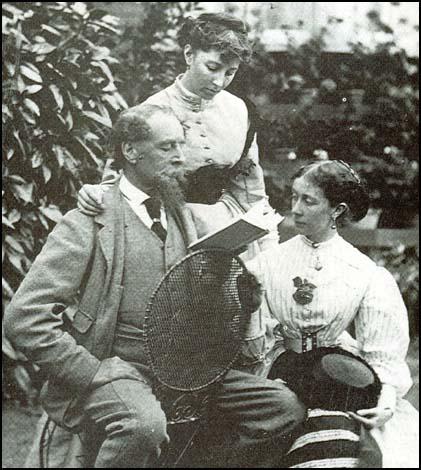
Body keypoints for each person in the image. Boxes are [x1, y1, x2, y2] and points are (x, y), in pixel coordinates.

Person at [4, 103, 306, 468]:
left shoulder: (186, 216)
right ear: (130, 151)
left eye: (181, 145)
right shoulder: (87, 222)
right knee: (142, 426)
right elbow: (25, 318)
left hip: (188, 371)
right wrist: (92, 371)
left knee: (283, 410)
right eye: (167, 147)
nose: (180, 157)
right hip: (116, 367)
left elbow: (212, 309)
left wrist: (244, 293)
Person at [246, 160, 419, 468]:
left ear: (337, 210)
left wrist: (387, 400)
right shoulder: (268, 263)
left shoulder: (363, 272)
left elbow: (382, 356)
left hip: (338, 378)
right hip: (280, 372)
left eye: (308, 200)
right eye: (295, 197)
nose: (296, 208)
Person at [77, 12, 278, 245]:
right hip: (167, 229)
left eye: (230, 73)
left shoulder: (238, 109)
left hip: (227, 226)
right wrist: (94, 195)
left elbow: (249, 185)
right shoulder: (152, 110)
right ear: (189, 54)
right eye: (212, 67)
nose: (219, 82)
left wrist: (267, 240)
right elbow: (116, 182)